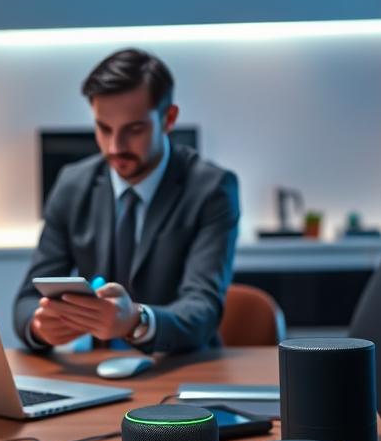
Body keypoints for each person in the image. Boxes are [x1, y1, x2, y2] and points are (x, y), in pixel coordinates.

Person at [13, 48, 240, 354]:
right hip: (97, 372)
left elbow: (202, 308)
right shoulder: (72, 184)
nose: (115, 146)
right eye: (103, 128)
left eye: (134, 129)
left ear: (169, 119)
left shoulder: (211, 188)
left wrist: (136, 320)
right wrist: (40, 327)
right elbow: (26, 301)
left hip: (181, 367)